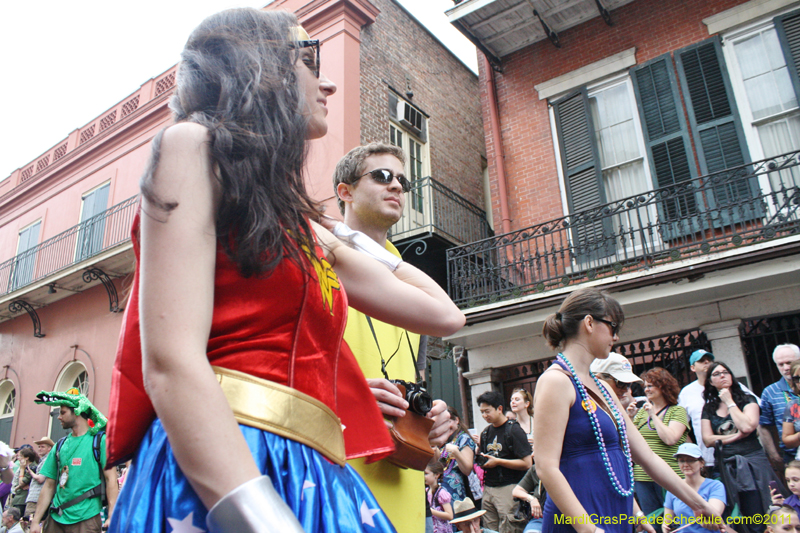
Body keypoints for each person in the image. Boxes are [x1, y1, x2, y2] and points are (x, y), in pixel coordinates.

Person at [104, 9, 465, 533]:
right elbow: (171, 362)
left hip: (315, 471)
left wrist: (342, 235)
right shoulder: (191, 145)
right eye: (310, 59)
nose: (330, 81)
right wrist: (259, 515)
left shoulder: (308, 233)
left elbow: (444, 315)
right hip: (226, 463)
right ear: (260, 67)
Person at [332, 142, 452, 531]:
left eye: (403, 180)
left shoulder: (406, 278)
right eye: (382, 176)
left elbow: (411, 380)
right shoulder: (319, 258)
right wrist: (350, 396)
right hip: (337, 479)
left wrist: (429, 421)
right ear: (344, 191)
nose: (397, 186)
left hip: (402, 487)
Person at [535, 287, 721, 533]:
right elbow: (545, 466)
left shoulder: (603, 387)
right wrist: (586, 527)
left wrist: (697, 504)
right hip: (579, 513)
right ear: (589, 323)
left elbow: (647, 457)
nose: (616, 337)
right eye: (613, 327)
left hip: (617, 508)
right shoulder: (556, 381)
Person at [702, 361, 779, 531]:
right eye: (716, 374)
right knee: (736, 512)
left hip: (753, 462)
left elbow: (747, 426)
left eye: (725, 372)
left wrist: (729, 401)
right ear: (710, 382)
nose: (722, 375)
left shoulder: (747, 400)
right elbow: (707, 440)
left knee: (760, 507)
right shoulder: (709, 408)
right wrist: (736, 436)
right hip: (725, 464)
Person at [30, 390, 119, 533]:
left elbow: (111, 479)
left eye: (63, 412)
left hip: (86, 518)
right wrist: (36, 521)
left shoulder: (99, 441)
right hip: (56, 518)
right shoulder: (59, 445)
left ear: (77, 411)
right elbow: (49, 485)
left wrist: (112, 515)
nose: (58, 417)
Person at [631, 367, 688, 518]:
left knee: (674, 519)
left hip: (669, 474)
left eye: (650, 385)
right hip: (642, 476)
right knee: (653, 519)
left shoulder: (677, 411)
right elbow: (631, 441)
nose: (647, 390)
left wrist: (653, 415)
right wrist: (630, 418)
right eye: (645, 386)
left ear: (663, 386)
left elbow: (670, 439)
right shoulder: (641, 413)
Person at [477, 391, 532, 533]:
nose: (484, 416)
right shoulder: (485, 433)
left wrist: (499, 462)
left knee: (509, 528)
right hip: (488, 488)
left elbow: (527, 463)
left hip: (509, 487)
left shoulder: (514, 430)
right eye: (482, 412)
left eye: (487, 411)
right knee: (489, 529)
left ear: (499, 408)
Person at [662, 443, 726, 533]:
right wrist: (666, 527)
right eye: (681, 461)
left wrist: (707, 520)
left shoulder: (715, 486)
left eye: (691, 460)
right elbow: (667, 521)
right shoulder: (674, 488)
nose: (685, 464)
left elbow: (714, 512)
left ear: (701, 463)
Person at [759, 345, 800, 471]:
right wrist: (774, 455)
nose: (786, 368)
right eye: (780, 364)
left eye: (789, 363)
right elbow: (763, 425)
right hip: (792, 456)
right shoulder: (770, 392)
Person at [441, 407, 481, 509]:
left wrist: (455, 451)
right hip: (442, 493)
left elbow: (467, 469)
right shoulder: (442, 439)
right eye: (442, 423)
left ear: (456, 420)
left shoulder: (463, 438)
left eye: (448, 421)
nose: (446, 426)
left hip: (458, 493)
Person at [25, 437, 54, 522]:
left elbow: (40, 479)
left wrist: (30, 472)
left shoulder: (47, 460)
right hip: (37, 497)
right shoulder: (44, 460)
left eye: (43, 447)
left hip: (36, 498)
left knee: (29, 523)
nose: (40, 449)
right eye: (39, 447)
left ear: (49, 448)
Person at [426, 460, 454, 533]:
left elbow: (450, 515)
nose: (424, 476)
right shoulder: (426, 491)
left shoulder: (441, 493)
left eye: (426, 474)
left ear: (436, 475)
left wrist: (431, 511)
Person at [10, 448, 36, 518]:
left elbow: (22, 482)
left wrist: (22, 469)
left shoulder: (31, 467)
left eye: (20, 456)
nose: (18, 458)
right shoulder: (24, 466)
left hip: (22, 499)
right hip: (18, 497)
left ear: (27, 458)